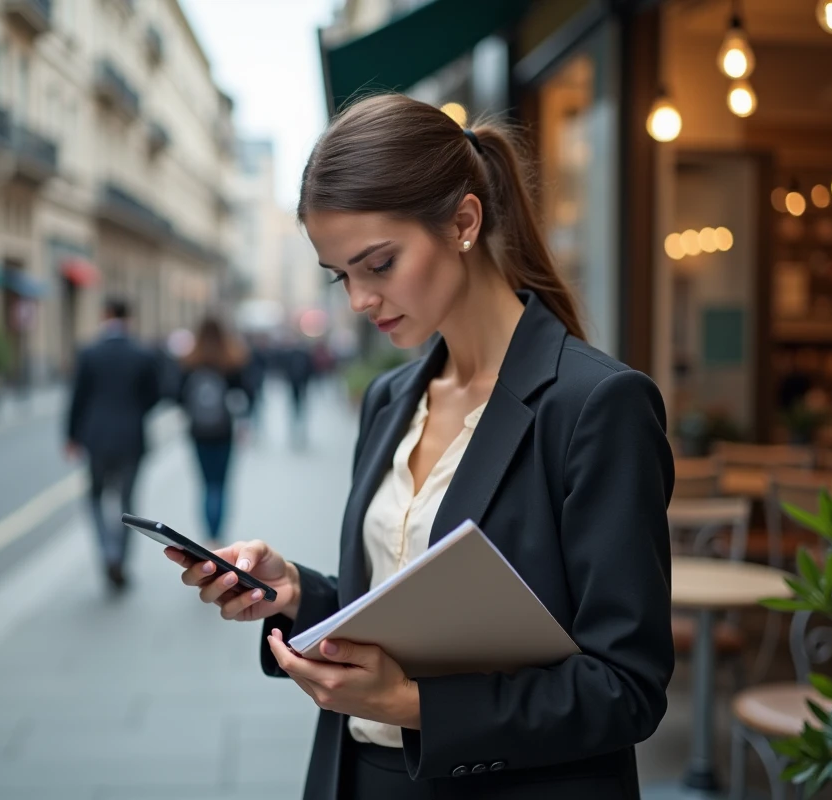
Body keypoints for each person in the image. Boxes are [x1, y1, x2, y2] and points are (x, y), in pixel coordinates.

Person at [165, 94, 674, 799]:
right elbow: (413, 611)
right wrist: (296, 595)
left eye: (379, 263)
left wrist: (412, 705)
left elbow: (627, 688)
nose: (359, 300)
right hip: (364, 778)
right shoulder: (390, 398)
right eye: (341, 275)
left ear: (464, 222)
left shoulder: (595, 405)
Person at [66, 297, 160, 592]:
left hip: (96, 438)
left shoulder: (90, 352)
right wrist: (133, 413)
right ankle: (120, 557)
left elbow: (77, 398)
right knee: (128, 504)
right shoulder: (143, 354)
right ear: (128, 318)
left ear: (105, 315)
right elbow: (155, 395)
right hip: (132, 437)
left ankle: (107, 550)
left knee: (95, 498)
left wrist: (71, 436)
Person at [178, 317, 251, 542]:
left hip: (198, 431)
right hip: (223, 431)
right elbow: (245, 395)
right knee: (221, 484)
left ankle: (208, 535)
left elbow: (179, 396)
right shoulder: (231, 359)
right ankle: (217, 535)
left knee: (206, 484)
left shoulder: (190, 361)